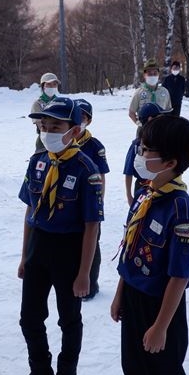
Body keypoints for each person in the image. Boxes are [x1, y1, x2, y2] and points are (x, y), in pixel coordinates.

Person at [98, 115, 189, 375]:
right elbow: (130, 249)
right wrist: (118, 295)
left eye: (145, 150)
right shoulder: (145, 195)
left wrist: (160, 327)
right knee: (133, 361)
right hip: (134, 298)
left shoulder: (183, 212)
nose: (138, 155)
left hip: (164, 309)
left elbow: (178, 277)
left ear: (171, 163)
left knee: (166, 374)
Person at [15, 97, 104, 375]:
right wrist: (24, 255)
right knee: (29, 316)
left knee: (69, 319)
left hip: (69, 250)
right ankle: (40, 370)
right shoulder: (37, 161)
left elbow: (92, 225)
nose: (48, 131)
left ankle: (66, 374)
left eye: (56, 126)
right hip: (39, 245)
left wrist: (84, 274)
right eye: (44, 126)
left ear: (75, 131)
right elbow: (30, 210)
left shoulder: (86, 169)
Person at [73, 98, 110, 301]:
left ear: (89, 120)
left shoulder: (95, 146)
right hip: (70, 203)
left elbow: (101, 176)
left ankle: (91, 283)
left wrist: (99, 203)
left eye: (83, 116)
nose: (79, 120)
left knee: (92, 245)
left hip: (89, 204)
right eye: (76, 116)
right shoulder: (64, 142)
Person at [123, 102, 168, 206]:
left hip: (163, 187)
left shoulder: (166, 142)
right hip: (142, 188)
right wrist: (129, 196)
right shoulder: (137, 145)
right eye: (161, 117)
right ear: (151, 120)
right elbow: (128, 172)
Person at [128, 58, 172, 127]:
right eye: (149, 73)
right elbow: (131, 112)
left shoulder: (165, 92)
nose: (152, 76)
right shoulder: (139, 92)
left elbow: (168, 111)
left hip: (161, 129)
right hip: (144, 129)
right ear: (144, 75)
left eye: (155, 73)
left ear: (158, 74)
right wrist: (138, 123)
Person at [30, 72, 60, 153]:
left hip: (60, 139)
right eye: (49, 84)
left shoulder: (60, 102)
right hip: (44, 140)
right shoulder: (38, 104)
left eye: (54, 84)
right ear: (43, 86)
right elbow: (40, 124)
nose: (52, 87)